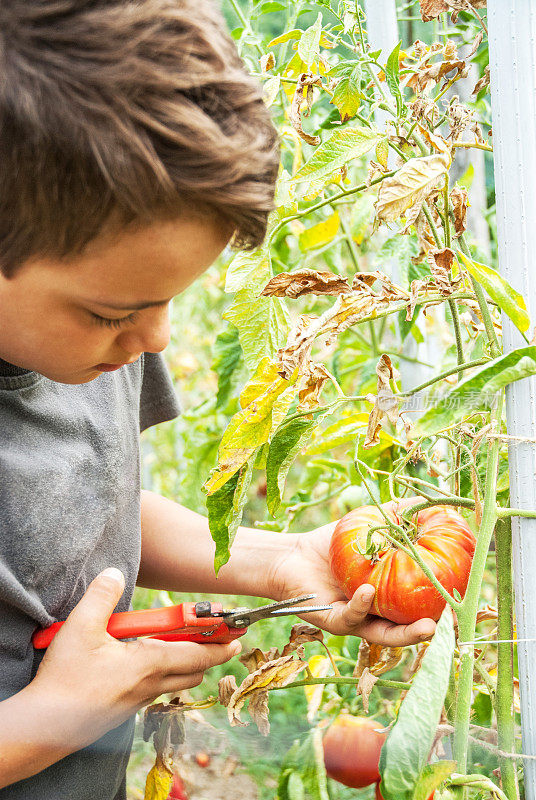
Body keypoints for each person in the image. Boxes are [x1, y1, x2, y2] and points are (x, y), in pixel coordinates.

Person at [0, 1, 436, 798]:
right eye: (114, 311)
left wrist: (283, 563)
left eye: (171, 299)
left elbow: (88, 512)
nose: (156, 338)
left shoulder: (95, 345)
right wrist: (50, 717)